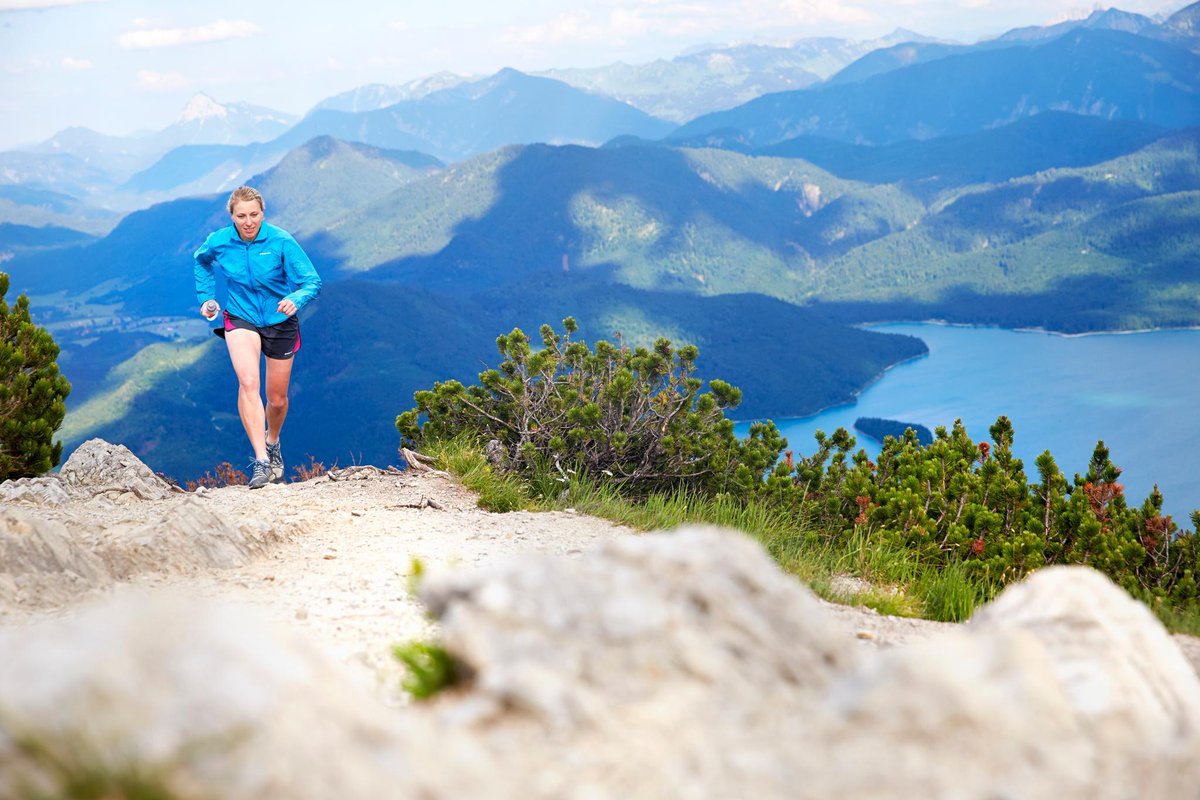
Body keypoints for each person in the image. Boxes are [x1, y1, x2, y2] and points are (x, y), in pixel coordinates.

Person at [193, 186, 322, 489]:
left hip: (279, 319)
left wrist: (297, 298)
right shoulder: (220, 241)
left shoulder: (280, 241)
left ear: (263, 213)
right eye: (241, 216)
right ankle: (261, 460)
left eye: (254, 214)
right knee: (248, 383)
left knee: (276, 400)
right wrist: (206, 298)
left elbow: (311, 281)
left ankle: (273, 441)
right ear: (232, 216)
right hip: (240, 317)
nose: (248, 221)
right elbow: (201, 261)